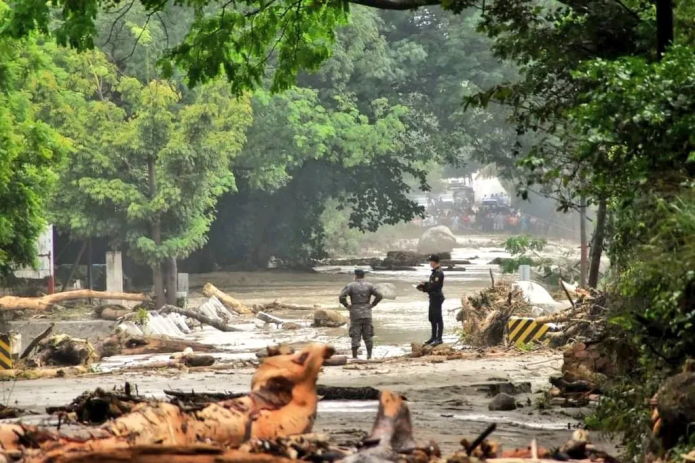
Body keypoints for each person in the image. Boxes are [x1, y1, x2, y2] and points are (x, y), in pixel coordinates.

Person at [339, 269, 382, 359]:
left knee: (355, 334)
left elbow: (341, 296)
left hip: (355, 312)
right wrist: (373, 304)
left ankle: (355, 356)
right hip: (367, 312)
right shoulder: (370, 286)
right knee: (368, 335)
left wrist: (347, 305)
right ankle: (369, 356)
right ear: (364, 276)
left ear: (355, 276)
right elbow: (380, 295)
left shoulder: (350, 285)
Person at [417, 254, 445, 346]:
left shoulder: (439, 273)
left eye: (430, 261)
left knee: (438, 318)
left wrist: (423, 287)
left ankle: (439, 338)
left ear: (434, 262)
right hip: (432, 297)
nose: (429, 263)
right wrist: (425, 283)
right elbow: (431, 284)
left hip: (437, 297)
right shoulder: (434, 272)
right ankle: (433, 337)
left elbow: (434, 286)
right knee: (432, 318)